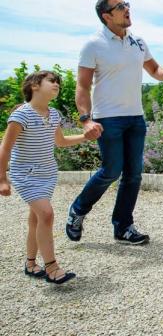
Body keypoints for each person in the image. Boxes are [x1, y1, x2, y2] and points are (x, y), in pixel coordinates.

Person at [65, 0, 163, 245]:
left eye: (126, 4)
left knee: (134, 175)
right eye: (120, 7)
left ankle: (123, 226)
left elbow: (153, 69)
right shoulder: (93, 45)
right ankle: (78, 210)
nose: (127, 9)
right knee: (111, 171)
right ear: (107, 16)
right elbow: (82, 86)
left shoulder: (138, 41)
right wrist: (86, 119)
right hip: (108, 118)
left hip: (135, 118)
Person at [0, 71, 97, 284]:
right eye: (51, 81)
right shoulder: (20, 116)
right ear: (34, 85)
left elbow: (60, 142)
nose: (57, 84)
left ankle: (30, 263)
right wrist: (2, 179)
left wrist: (85, 136)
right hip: (25, 174)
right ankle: (52, 267)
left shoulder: (53, 115)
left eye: (58, 82)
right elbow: (4, 150)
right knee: (46, 214)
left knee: (36, 219)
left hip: (47, 173)